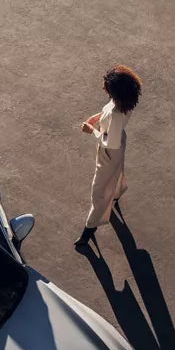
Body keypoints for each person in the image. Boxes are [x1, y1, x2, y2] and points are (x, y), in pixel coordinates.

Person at [75, 65, 142, 246]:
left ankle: (89, 229)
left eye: (106, 86)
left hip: (109, 152)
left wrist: (92, 131)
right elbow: (110, 116)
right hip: (118, 144)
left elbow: (110, 143)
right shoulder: (123, 103)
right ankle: (117, 195)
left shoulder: (115, 111)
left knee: (98, 192)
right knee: (116, 174)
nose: (103, 87)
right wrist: (98, 118)